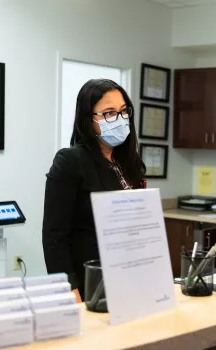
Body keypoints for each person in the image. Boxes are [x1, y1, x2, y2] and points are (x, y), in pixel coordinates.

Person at [42, 79, 147, 301]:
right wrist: (69, 289)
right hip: (91, 283)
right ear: (88, 119)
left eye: (123, 111)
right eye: (109, 113)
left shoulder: (130, 163)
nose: (119, 119)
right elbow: (54, 237)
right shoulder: (70, 161)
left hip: (132, 277)